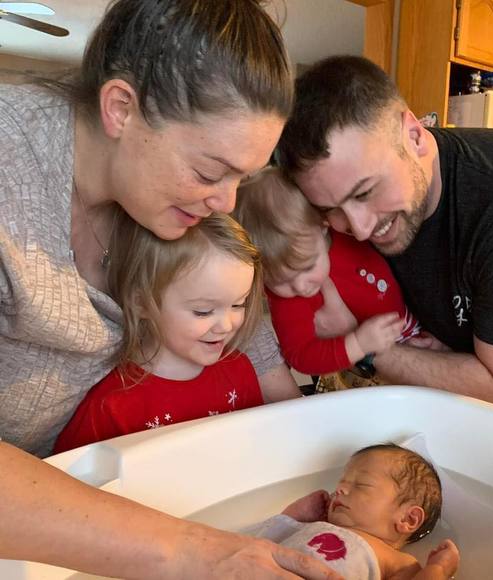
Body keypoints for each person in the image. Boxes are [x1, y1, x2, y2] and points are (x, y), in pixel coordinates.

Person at [0, 1, 340, 578]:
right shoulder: (12, 175)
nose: (226, 202)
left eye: (243, 178)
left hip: (90, 502)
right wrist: (196, 552)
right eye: (210, 172)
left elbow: (253, 338)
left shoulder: (165, 199)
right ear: (121, 109)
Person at [276, 55, 493, 427]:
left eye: (365, 192)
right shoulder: (342, 221)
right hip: (445, 412)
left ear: (415, 136)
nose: (359, 228)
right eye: (331, 209)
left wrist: (362, 345)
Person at [54, 212, 301, 453]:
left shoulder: (240, 370)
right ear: (141, 302)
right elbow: (69, 476)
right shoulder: (110, 406)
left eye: (238, 304)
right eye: (203, 311)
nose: (226, 325)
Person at [235, 167, 421, 377]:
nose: (300, 286)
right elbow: (300, 357)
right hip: (369, 372)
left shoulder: (349, 230)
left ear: (323, 225)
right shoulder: (287, 302)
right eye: (279, 281)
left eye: (308, 266)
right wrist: (358, 344)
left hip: (411, 329)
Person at [246, 444, 459, 579]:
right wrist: (294, 516)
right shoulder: (313, 526)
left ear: (408, 519)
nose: (340, 489)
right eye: (342, 482)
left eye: (361, 485)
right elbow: (258, 543)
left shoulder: (397, 561)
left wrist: (438, 569)